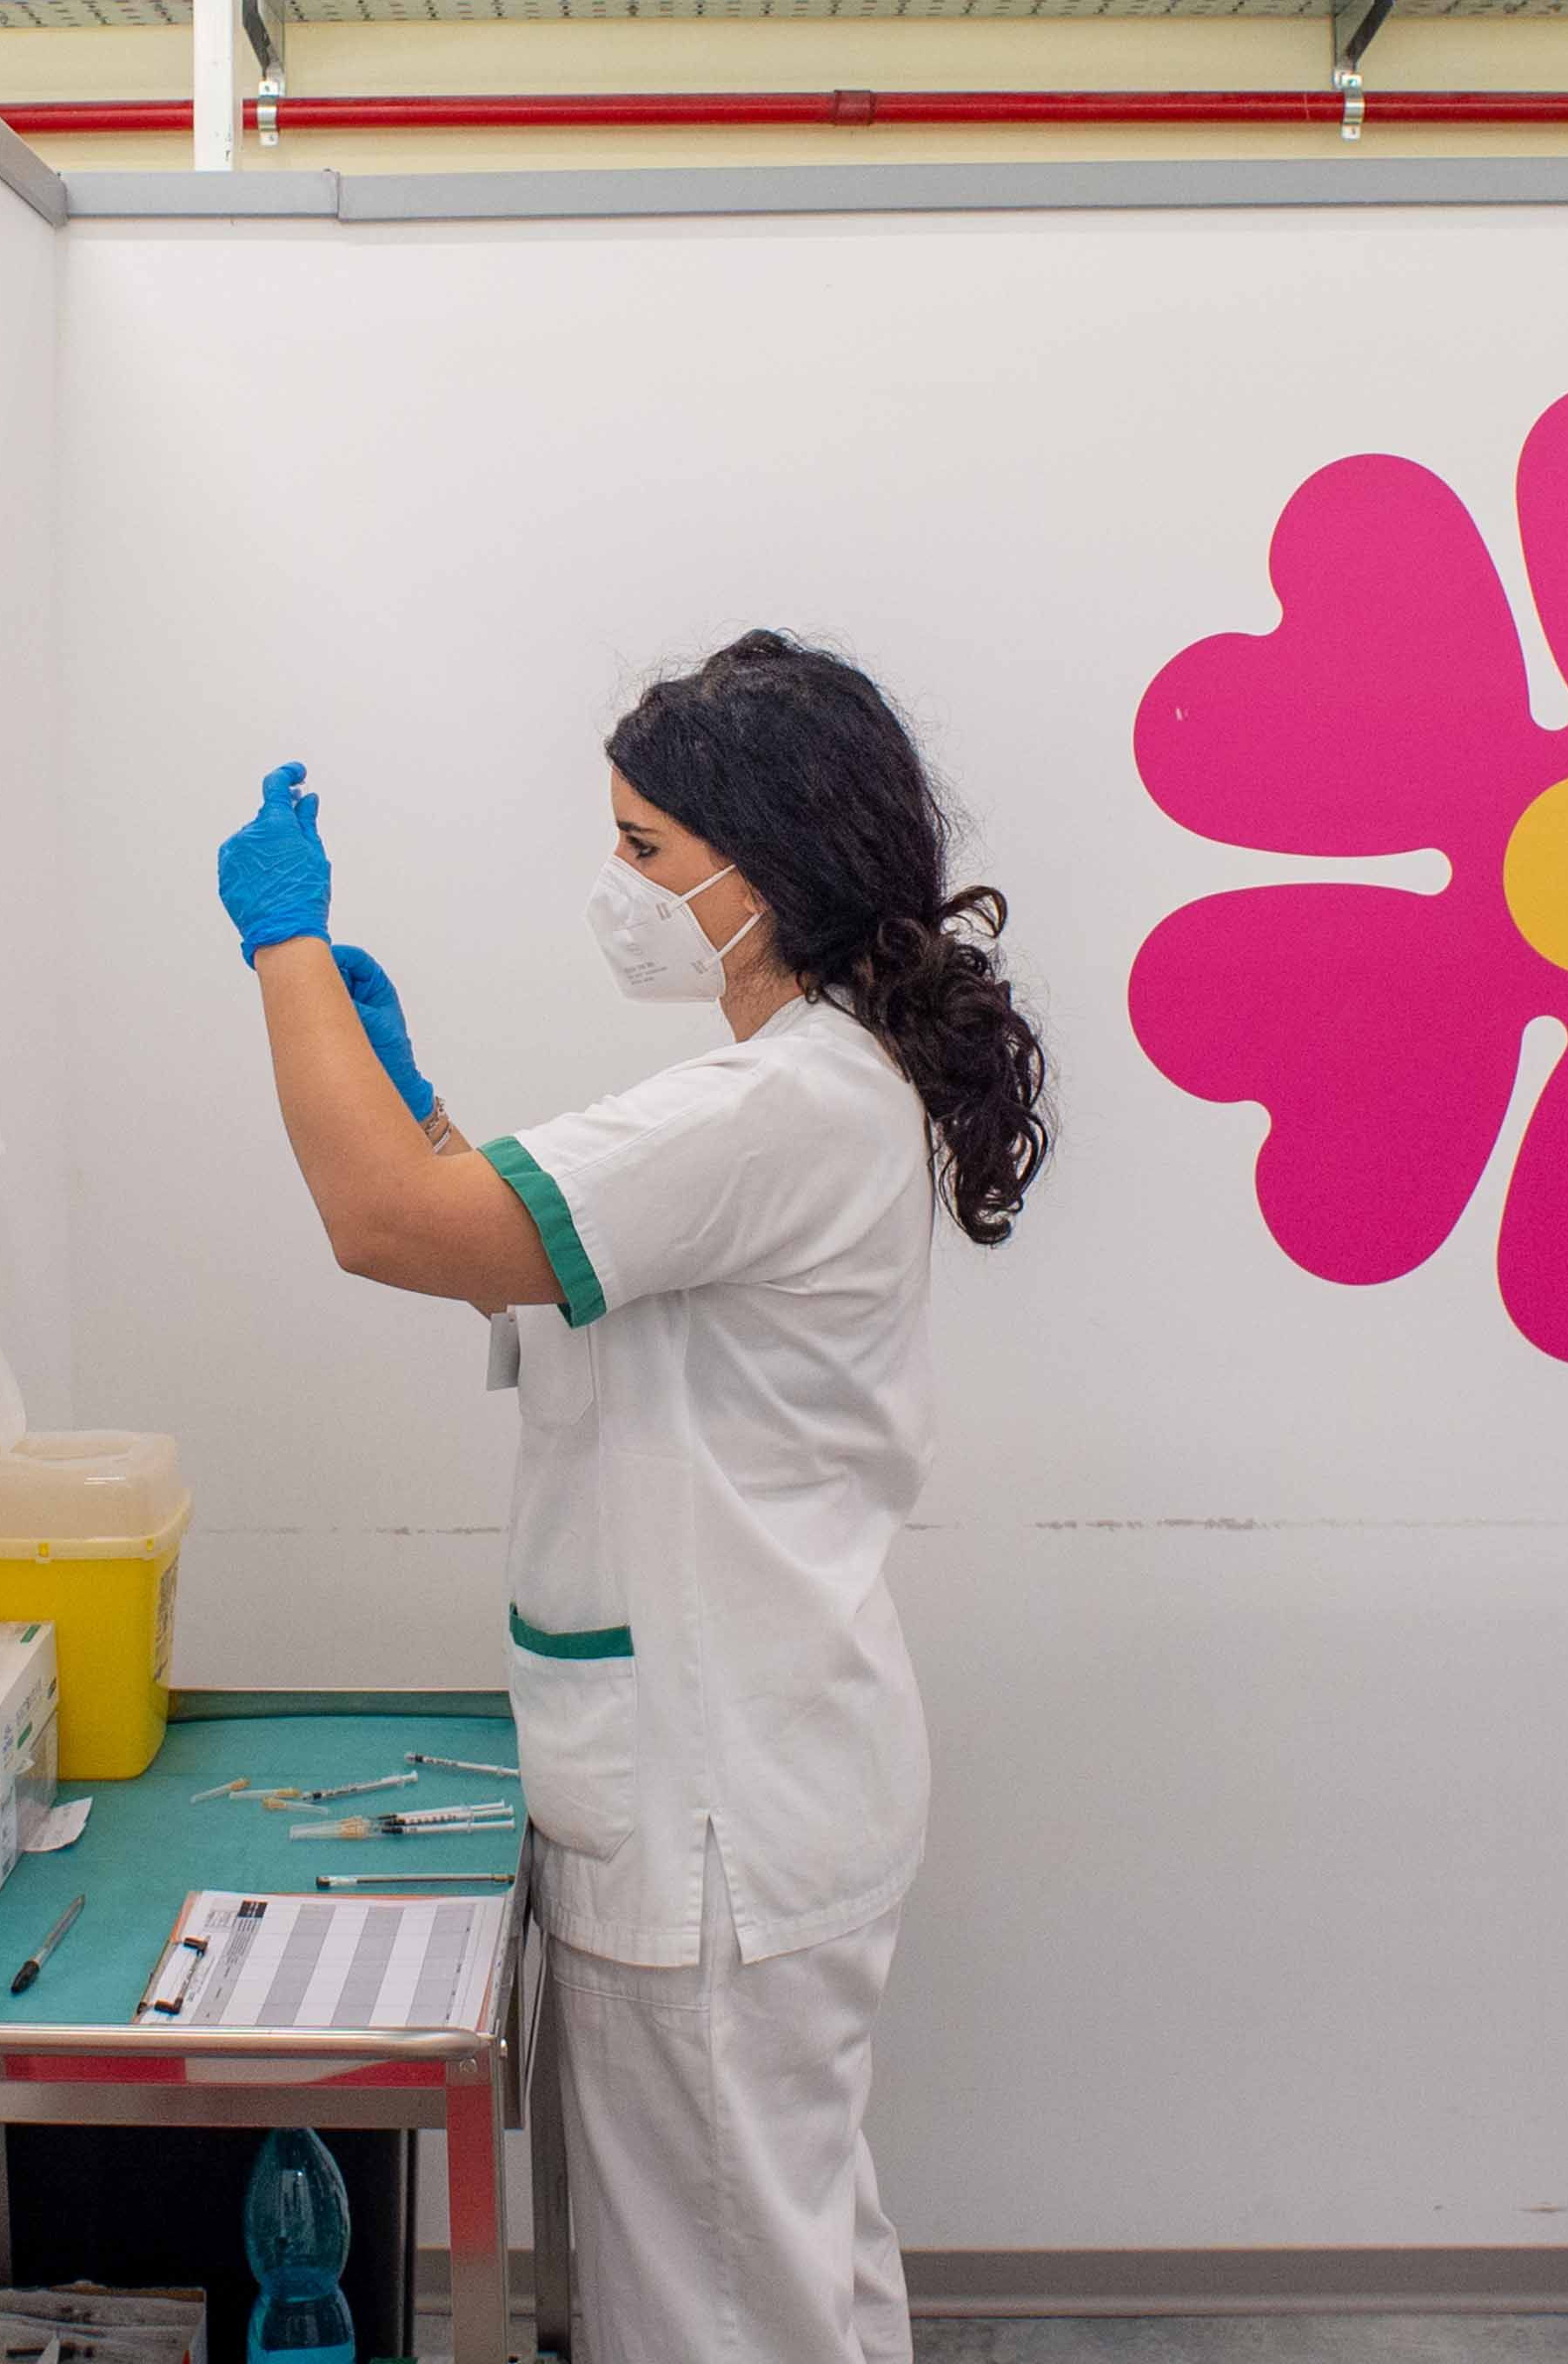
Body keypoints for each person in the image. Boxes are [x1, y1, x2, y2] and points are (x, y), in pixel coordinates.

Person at [212, 629, 1051, 2364]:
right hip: (758, 1766)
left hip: (716, 1801)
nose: (621, 882)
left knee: (718, 2311)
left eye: (646, 846)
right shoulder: (802, 1087)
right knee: (788, 2264)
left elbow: (388, 1225)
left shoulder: (776, 1104)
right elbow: (531, 1252)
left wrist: (285, 953)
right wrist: (418, 1106)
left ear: (770, 869)